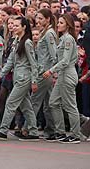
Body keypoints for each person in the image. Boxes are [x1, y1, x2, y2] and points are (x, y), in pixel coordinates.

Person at [0, 16, 39, 141]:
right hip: (17, 77)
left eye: (17, 25)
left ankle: (3, 130)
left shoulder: (27, 43)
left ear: (24, 27)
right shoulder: (16, 41)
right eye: (13, 25)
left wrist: (34, 81)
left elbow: (33, 63)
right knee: (26, 106)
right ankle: (33, 131)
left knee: (11, 103)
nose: (14, 27)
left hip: (24, 78)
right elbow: (10, 61)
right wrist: (0, 76)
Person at [43, 14, 81, 143]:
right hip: (62, 75)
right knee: (53, 102)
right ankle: (60, 131)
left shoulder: (68, 39)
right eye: (58, 22)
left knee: (70, 105)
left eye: (61, 23)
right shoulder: (64, 39)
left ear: (68, 25)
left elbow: (65, 61)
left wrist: (51, 70)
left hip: (67, 73)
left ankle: (76, 134)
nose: (58, 24)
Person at [26, 9, 57, 140]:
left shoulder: (49, 34)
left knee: (34, 101)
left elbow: (54, 54)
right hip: (44, 71)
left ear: (48, 19)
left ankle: (29, 129)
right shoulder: (45, 32)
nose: (38, 21)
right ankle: (51, 129)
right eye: (37, 18)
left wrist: (53, 72)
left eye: (41, 19)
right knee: (49, 103)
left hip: (44, 72)